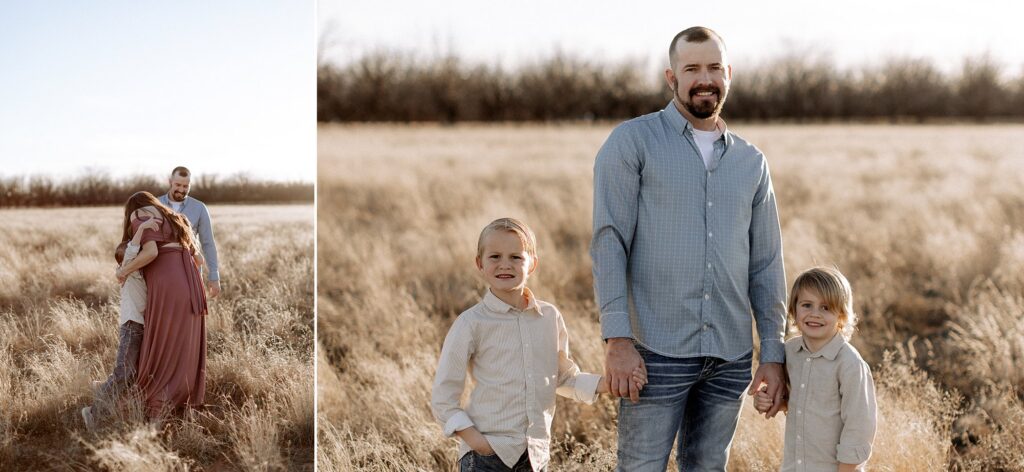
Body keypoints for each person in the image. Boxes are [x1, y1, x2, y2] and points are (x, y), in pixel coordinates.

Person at [591, 26, 788, 470]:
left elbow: (767, 264)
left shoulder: (751, 162)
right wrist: (617, 340)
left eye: (714, 67)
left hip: (730, 355)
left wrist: (773, 353)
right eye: (692, 68)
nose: (705, 78)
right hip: (654, 351)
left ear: (729, 75)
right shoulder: (632, 143)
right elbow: (609, 244)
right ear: (671, 77)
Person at [432, 218, 646, 472]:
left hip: (535, 455)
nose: (505, 265)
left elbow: (563, 378)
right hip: (487, 457)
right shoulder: (470, 323)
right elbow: (443, 398)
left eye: (516, 257)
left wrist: (608, 383)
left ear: (532, 263)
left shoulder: (549, 317)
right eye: (495, 257)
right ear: (480, 263)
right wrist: (479, 443)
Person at [754, 267, 877, 471]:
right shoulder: (790, 352)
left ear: (842, 315)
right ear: (794, 310)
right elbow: (791, 401)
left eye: (826, 308)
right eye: (807, 305)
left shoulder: (849, 364)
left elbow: (859, 427)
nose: (814, 314)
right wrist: (764, 400)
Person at [116, 191, 208, 418]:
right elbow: (199, 260)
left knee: (162, 341)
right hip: (192, 284)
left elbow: (151, 252)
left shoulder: (141, 214)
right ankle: (184, 400)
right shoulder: (178, 218)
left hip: (167, 283)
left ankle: (158, 400)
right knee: (185, 343)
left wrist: (124, 271)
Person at [81, 218, 159, 430]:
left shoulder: (138, 273)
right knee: (124, 374)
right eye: (134, 253)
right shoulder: (128, 268)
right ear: (123, 261)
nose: (139, 254)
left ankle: (101, 388)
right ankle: (93, 412)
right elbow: (133, 250)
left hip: (139, 327)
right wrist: (141, 228)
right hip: (132, 326)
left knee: (131, 374)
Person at [158, 166, 221, 298]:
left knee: (190, 315)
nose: (181, 190)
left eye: (186, 186)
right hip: (160, 273)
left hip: (190, 273)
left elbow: (208, 243)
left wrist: (214, 276)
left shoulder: (199, 208)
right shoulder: (155, 205)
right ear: (170, 182)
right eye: (178, 185)